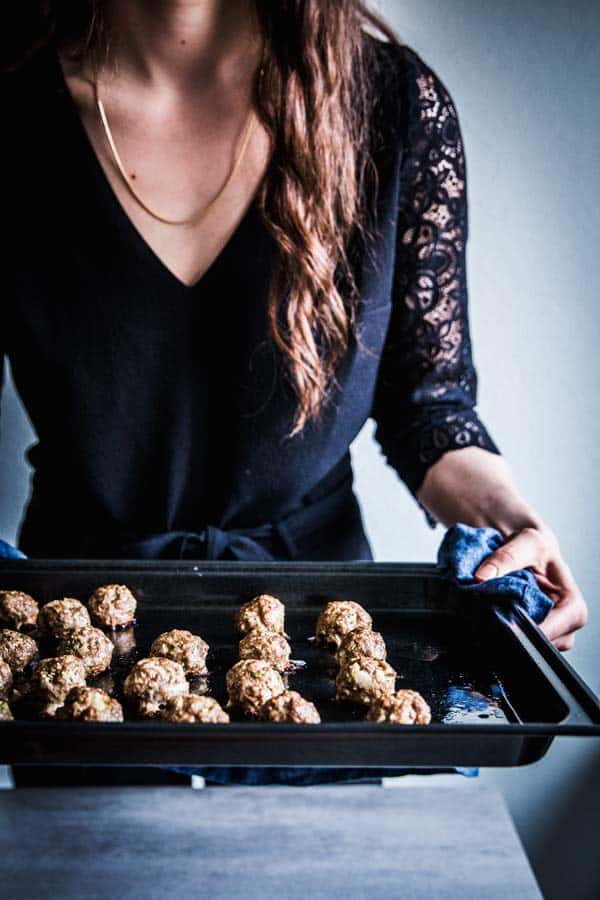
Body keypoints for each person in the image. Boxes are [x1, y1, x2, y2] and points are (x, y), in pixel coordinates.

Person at [2, 1, 587, 786]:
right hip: (71, 683)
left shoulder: (392, 108)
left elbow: (431, 409)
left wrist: (512, 529)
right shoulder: (10, 99)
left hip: (323, 671)